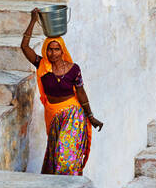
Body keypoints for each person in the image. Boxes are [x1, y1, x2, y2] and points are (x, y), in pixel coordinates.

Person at [20, 10, 103, 175]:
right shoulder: (42, 65)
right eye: (50, 49)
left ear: (62, 50)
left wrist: (91, 116)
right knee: (55, 153)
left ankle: (70, 184)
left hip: (74, 114)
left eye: (56, 49)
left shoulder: (73, 69)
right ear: (46, 50)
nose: (53, 53)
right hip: (53, 115)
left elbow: (81, 93)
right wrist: (32, 21)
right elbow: (24, 47)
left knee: (66, 155)